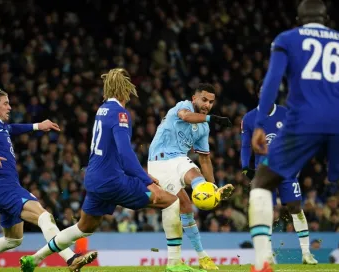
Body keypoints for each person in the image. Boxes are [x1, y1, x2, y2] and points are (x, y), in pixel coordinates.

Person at [248, 0, 339, 272]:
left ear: (300, 18)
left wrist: (260, 123)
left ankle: (263, 261)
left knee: (262, 183)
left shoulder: (287, 39)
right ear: (326, 18)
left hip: (303, 119)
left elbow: (272, 81)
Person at [20, 68, 204, 272]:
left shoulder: (103, 110)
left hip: (95, 179)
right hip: (113, 180)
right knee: (171, 201)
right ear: (126, 89)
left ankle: (34, 259)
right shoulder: (120, 113)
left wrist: (140, 175)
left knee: (84, 227)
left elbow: (114, 152)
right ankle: (174, 263)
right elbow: (126, 154)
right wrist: (146, 179)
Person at [0, 84, 94, 272]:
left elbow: (13, 128)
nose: (10, 107)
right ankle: (70, 258)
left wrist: (37, 126)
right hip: (7, 189)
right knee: (44, 217)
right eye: (6, 103)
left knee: (13, 239)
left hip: (1, 190)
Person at [148, 83, 234, 270]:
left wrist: (213, 189)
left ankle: (202, 258)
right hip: (159, 161)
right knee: (184, 205)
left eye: (211, 102)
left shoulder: (203, 127)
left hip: (179, 159)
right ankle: (192, 257)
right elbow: (186, 117)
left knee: (198, 181)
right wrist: (213, 118)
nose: (207, 105)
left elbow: (204, 159)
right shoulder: (182, 106)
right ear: (194, 98)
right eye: (204, 100)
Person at [241, 81, 317, 265]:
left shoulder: (285, 113)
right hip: (263, 171)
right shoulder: (249, 118)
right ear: (259, 94)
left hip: (286, 169)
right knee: (264, 210)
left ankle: (306, 253)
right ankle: (267, 254)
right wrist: (245, 167)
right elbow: (245, 145)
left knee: (295, 208)